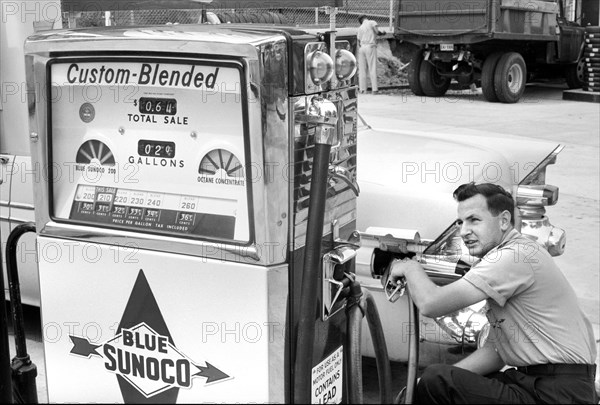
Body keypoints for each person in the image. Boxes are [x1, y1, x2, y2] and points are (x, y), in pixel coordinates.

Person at [389, 182, 598, 404]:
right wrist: (424, 384)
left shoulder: (511, 257)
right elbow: (495, 352)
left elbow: (431, 304)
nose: (464, 231)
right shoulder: (517, 253)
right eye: (460, 222)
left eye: (474, 220)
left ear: (504, 221)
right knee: (442, 381)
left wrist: (410, 268)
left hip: (556, 393)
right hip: (549, 386)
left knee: (437, 380)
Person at [357, 15, 384, 94]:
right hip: (370, 46)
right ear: (365, 18)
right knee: (372, 68)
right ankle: (374, 90)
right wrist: (383, 34)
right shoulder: (372, 22)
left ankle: (362, 90)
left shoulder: (360, 28)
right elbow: (377, 32)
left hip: (362, 48)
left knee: (362, 70)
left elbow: (358, 40)